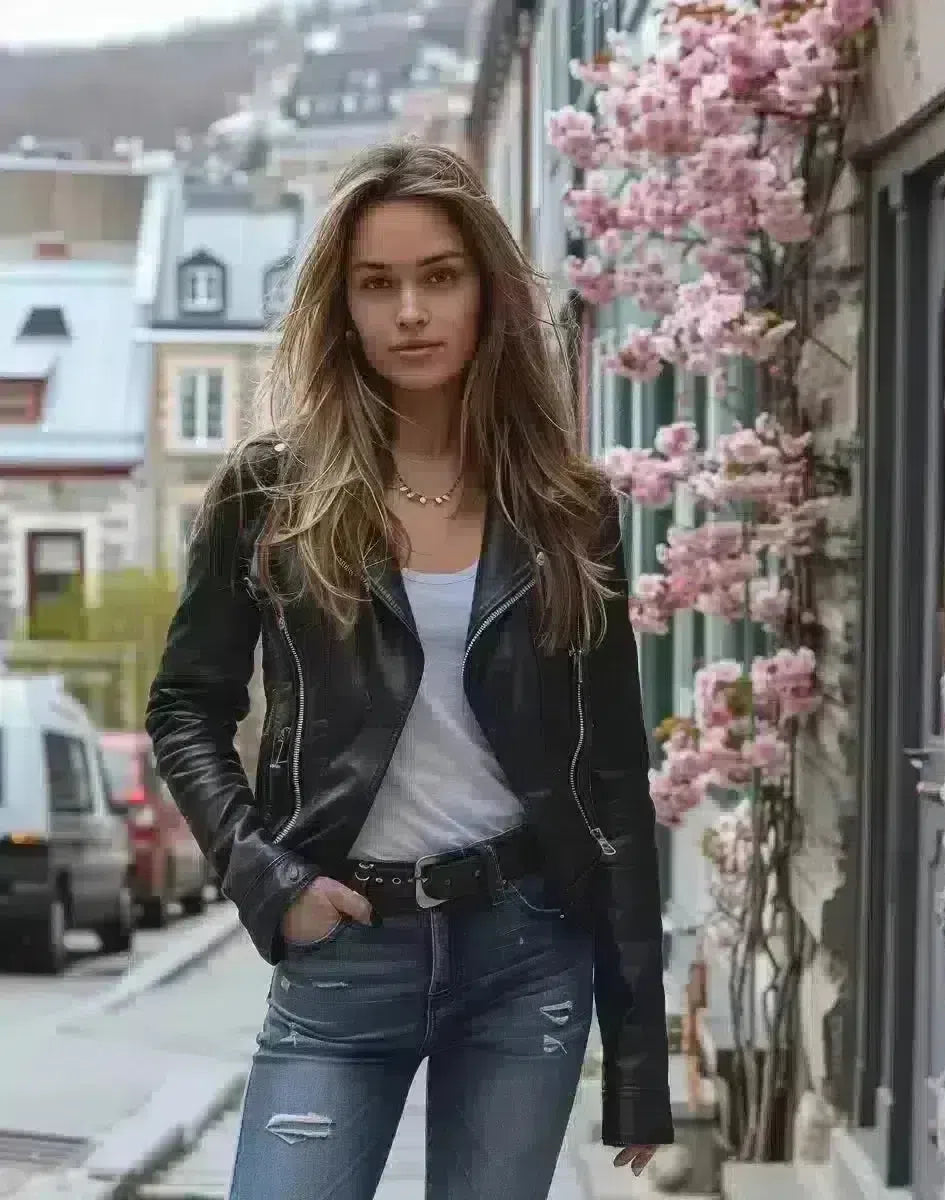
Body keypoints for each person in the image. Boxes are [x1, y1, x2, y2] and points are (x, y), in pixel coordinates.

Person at [145, 141, 673, 1200]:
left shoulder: (568, 509)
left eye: (439, 276)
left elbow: (612, 772)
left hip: (526, 949)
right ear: (341, 309)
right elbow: (186, 709)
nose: (410, 312)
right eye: (376, 285)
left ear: (485, 290)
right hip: (346, 946)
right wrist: (269, 879)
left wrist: (640, 1059)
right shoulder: (272, 493)